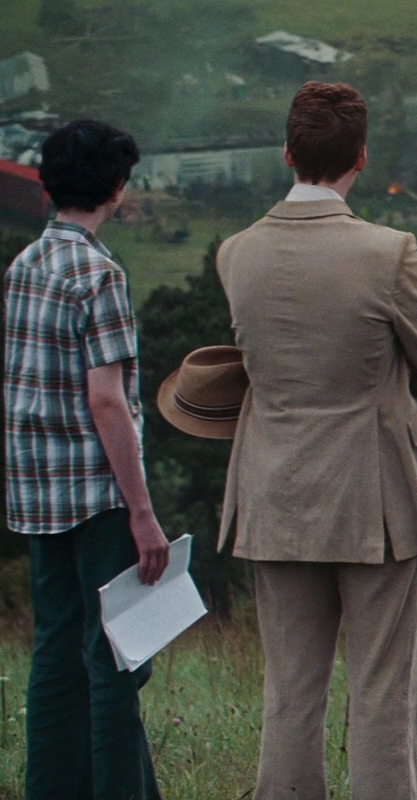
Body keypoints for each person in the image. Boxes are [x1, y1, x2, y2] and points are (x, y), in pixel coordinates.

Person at [216, 81, 417, 800]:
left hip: (273, 489)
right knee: (383, 686)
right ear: (361, 157)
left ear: (287, 154)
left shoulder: (236, 253)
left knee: (290, 687)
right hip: (373, 495)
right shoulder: (390, 252)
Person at [6, 119, 165, 800]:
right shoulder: (101, 275)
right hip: (98, 493)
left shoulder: (23, 266)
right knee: (115, 662)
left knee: (55, 651)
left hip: (36, 490)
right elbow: (107, 399)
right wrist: (143, 513)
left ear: (47, 182)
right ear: (117, 188)